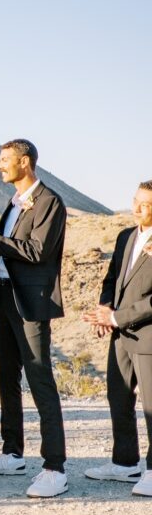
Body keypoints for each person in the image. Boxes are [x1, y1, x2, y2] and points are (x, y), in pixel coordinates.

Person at [0, 139, 69, 498]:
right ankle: (12, 452)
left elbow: (37, 251)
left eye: (5, 160)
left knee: (40, 379)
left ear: (25, 162)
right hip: (5, 300)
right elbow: (7, 248)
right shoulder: (14, 203)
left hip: (30, 303)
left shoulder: (50, 202)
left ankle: (55, 467)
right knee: (6, 375)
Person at [83, 180, 152, 497]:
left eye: (148, 203)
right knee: (119, 396)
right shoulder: (126, 236)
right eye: (137, 201)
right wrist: (104, 311)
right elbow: (112, 279)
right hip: (120, 334)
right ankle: (125, 463)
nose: (140, 208)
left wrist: (116, 317)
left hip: (148, 335)